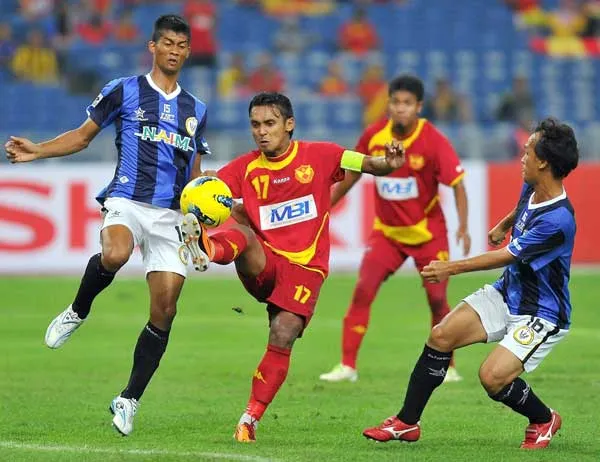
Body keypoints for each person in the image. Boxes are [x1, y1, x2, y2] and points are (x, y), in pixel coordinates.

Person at [4, 15, 211, 436]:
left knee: (166, 310)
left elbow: (195, 174)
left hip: (171, 215)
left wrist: (198, 221)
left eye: (181, 45)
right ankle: (77, 311)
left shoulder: (196, 109)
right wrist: (37, 151)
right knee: (115, 253)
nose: (174, 50)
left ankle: (128, 399)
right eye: (167, 43)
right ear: (152, 46)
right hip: (127, 199)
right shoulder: (124, 89)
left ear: (188, 52)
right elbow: (82, 137)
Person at [181, 91, 406, 442]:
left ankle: (249, 419)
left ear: (289, 124)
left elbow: (368, 164)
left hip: (306, 269)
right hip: (264, 263)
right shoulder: (245, 167)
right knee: (244, 233)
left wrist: (388, 163)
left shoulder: (323, 155)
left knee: (283, 332)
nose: (261, 131)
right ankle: (207, 248)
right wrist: (204, 185)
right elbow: (211, 194)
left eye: (269, 123)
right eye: (255, 125)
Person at [362, 117, 578, 450]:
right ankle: (406, 423)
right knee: (441, 336)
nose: (522, 157)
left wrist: (450, 267)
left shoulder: (559, 220)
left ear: (544, 162)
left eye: (527, 152)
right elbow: (521, 208)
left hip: (541, 313)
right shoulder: (533, 185)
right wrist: (503, 224)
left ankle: (543, 418)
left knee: (492, 377)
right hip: (508, 293)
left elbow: (506, 256)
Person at [320, 75, 470, 384]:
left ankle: (449, 367)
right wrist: (326, 206)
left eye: (407, 103)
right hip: (387, 235)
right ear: (388, 104)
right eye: (396, 102)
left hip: (428, 235)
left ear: (419, 107)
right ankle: (347, 366)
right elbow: (352, 175)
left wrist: (464, 227)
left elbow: (457, 185)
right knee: (363, 290)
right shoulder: (373, 136)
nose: (400, 109)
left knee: (437, 300)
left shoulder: (433, 140)